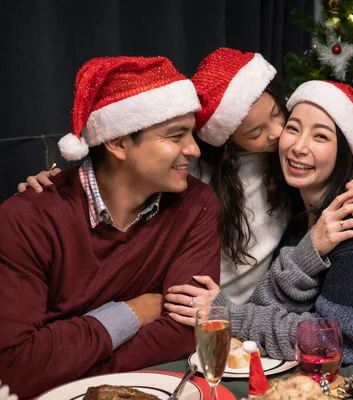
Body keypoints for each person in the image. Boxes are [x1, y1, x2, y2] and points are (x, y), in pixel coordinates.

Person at [19, 48, 353, 307]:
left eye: (280, 115)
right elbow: (130, 173)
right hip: (210, 310)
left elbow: (333, 164)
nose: (280, 135)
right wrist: (62, 185)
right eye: (256, 133)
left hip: (263, 311)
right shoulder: (194, 171)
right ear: (227, 138)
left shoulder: (288, 162)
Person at [171, 80, 353, 372]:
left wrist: (230, 317)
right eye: (293, 129)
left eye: (320, 136)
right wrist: (309, 251)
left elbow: (346, 342)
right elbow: (266, 304)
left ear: (344, 151)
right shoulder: (298, 216)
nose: (298, 147)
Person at [0, 56, 220, 398]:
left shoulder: (196, 204)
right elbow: (15, 366)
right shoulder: (27, 219)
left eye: (191, 133)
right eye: (175, 136)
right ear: (117, 142)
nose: (193, 149)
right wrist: (133, 312)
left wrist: (64, 364)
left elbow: (185, 329)